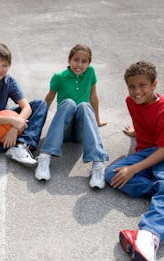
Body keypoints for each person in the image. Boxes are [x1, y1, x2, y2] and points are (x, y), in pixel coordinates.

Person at [105, 61, 164, 261]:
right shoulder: (131, 101)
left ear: (154, 84)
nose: (137, 92)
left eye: (143, 85)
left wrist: (134, 168)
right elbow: (145, 120)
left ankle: (149, 237)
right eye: (132, 86)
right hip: (148, 150)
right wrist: (136, 133)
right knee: (113, 174)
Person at [34, 44, 109, 188]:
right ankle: (44, 157)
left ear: (88, 63)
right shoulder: (59, 77)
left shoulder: (91, 72)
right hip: (64, 131)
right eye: (76, 60)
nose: (79, 64)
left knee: (84, 105)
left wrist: (97, 120)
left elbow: (93, 97)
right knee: (68, 103)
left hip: (81, 132)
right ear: (69, 60)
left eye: (84, 61)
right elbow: (48, 99)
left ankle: (98, 165)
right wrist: (38, 123)